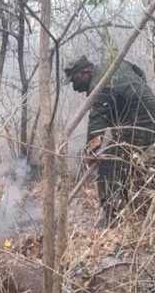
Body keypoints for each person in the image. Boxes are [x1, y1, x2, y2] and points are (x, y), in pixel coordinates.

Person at [65, 55, 155, 228]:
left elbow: (97, 124)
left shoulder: (98, 86)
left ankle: (112, 218)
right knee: (135, 163)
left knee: (109, 167)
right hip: (150, 112)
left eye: (74, 80)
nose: (74, 87)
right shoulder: (113, 63)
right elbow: (140, 74)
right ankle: (138, 208)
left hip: (139, 121)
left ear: (85, 71)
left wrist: (91, 152)